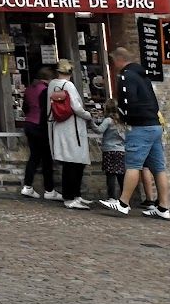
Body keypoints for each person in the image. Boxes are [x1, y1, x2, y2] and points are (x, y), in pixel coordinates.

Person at [107, 45, 170, 219]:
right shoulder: (143, 76)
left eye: (113, 62)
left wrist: (125, 119)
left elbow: (127, 103)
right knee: (159, 168)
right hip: (154, 124)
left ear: (119, 60)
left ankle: (123, 203)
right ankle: (163, 207)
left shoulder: (127, 76)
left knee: (133, 165)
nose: (114, 65)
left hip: (141, 126)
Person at [46, 59, 95, 209]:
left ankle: (75, 195)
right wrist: (88, 115)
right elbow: (76, 107)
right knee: (74, 164)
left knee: (70, 163)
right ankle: (71, 197)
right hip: (72, 128)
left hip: (60, 127)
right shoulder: (69, 85)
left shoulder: (52, 85)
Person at [18, 65, 60, 201]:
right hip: (40, 126)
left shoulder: (30, 89)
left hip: (29, 124)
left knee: (34, 157)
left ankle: (28, 186)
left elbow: (25, 107)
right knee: (47, 159)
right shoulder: (45, 90)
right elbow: (45, 110)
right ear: (49, 79)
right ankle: (49, 189)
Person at [94, 99, 128, 205]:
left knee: (110, 175)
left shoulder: (108, 120)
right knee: (121, 175)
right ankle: (124, 198)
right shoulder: (121, 120)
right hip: (121, 151)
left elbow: (99, 130)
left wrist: (90, 122)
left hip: (109, 150)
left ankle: (112, 197)